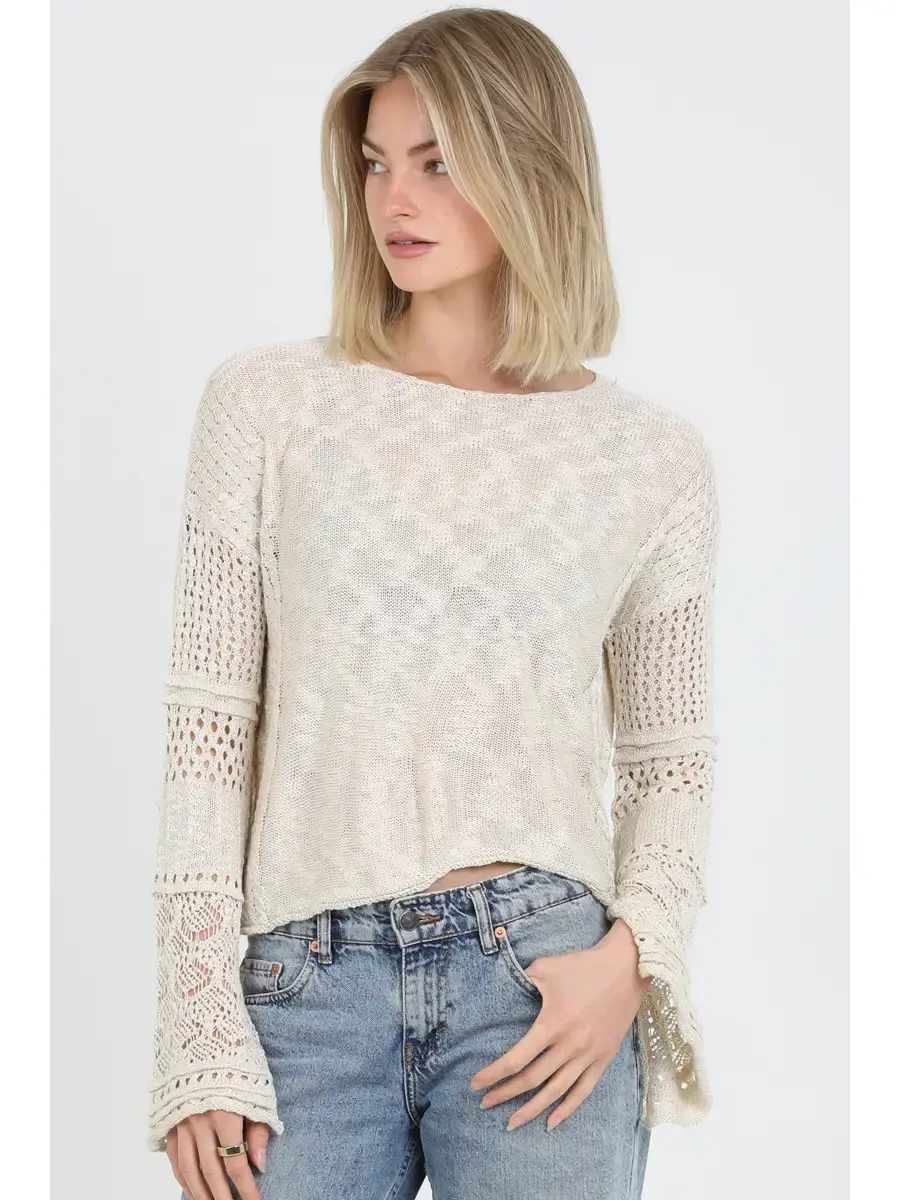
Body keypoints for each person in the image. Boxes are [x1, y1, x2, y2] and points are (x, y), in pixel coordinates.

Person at [147, 8, 721, 1199]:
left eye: (437, 161)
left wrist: (631, 961)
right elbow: (209, 734)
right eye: (375, 162)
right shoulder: (266, 406)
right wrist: (198, 1023)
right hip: (304, 993)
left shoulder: (651, 460)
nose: (393, 199)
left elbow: (669, 764)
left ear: (530, 167)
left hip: (542, 991)